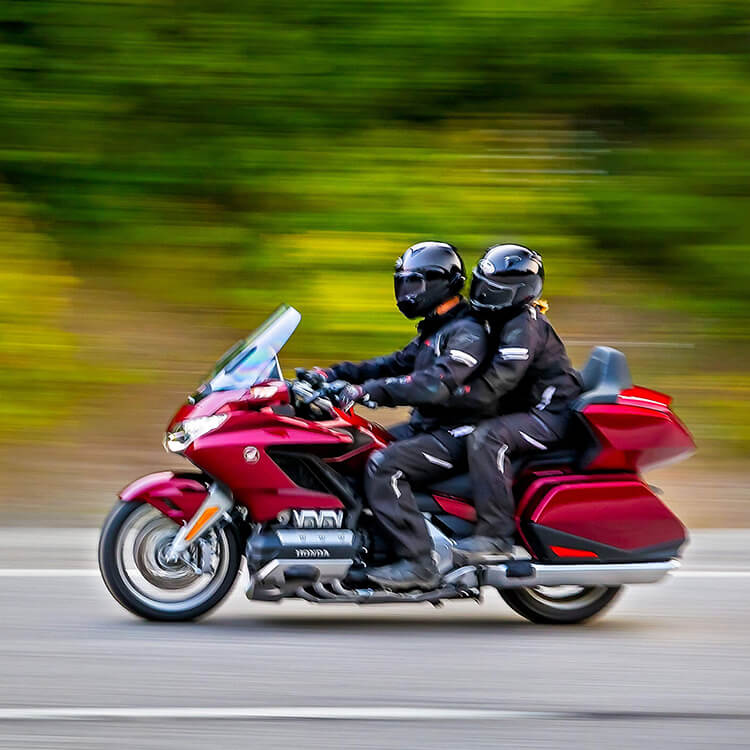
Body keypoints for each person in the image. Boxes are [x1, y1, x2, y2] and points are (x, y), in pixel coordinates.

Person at [302, 241, 489, 590]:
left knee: (384, 465)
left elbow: (435, 384)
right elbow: (390, 364)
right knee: (354, 451)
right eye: (402, 283)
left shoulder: (467, 332)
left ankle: (420, 563)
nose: (405, 293)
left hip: (460, 432)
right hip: (431, 427)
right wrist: (330, 374)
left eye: (413, 284)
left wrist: (366, 392)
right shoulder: (436, 328)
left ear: (438, 283)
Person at [450, 244, 583, 563]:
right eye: (480, 283)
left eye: (492, 289)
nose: (482, 293)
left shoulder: (524, 324)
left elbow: (501, 379)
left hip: (552, 413)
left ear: (519, 292)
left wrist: (451, 397)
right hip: (526, 407)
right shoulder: (496, 317)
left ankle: (495, 536)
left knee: (488, 437)